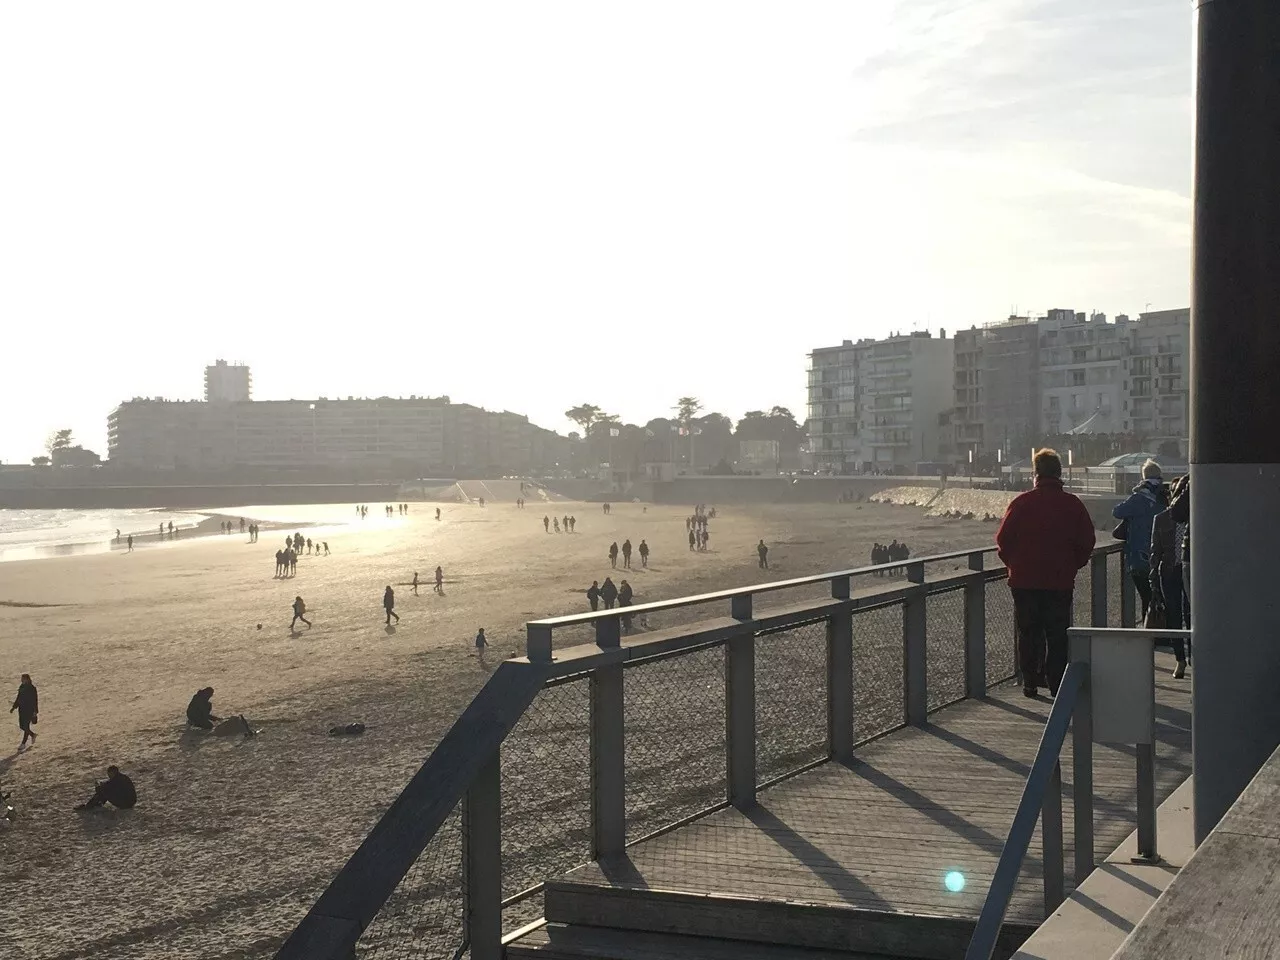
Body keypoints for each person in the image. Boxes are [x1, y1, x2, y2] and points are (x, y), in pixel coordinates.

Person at [996, 448, 1096, 698]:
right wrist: (1073, 565)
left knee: (1028, 632)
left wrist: (1014, 564)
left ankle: (1030, 681)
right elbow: (1087, 541)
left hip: (1024, 581)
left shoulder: (1021, 503)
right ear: (1059, 473)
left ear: (1036, 473)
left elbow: (1003, 539)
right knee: (1057, 634)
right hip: (1059, 581)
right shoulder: (1072, 504)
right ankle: (1057, 684)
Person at [1112, 460, 1168, 621]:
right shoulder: (1164, 497)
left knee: (1147, 598)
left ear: (1143, 476)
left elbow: (1117, 512)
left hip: (1140, 556)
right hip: (1163, 557)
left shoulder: (1139, 498)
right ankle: (1166, 633)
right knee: (1162, 597)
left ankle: (1151, 634)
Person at [1150, 475, 1189, 678]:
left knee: (1191, 614)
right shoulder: (1161, 519)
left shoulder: (1194, 518)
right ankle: (1180, 659)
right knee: (1174, 615)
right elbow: (1155, 551)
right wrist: (1153, 580)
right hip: (1169, 571)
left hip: (1190, 569)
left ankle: (1193, 656)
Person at [11, 674, 38, 750]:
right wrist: (14, 707)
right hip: (22, 709)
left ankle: (23, 744)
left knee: (25, 726)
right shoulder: (21, 688)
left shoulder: (32, 688)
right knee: (22, 726)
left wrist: (35, 711)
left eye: (23, 679)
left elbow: (35, 700)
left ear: (27, 679)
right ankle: (33, 735)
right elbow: (18, 698)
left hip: (29, 710)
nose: (21, 680)